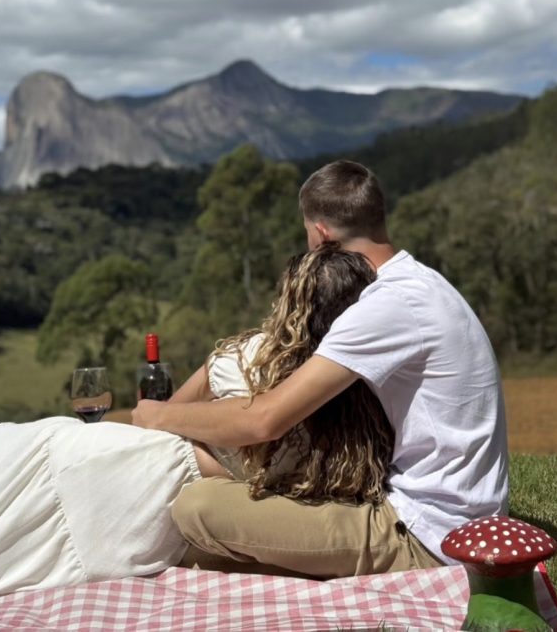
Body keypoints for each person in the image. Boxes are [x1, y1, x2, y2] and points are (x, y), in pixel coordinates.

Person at [0, 245, 389, 616]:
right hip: (166, 491)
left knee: (6, 472)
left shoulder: (248, 356)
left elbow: (158, 413)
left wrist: (174, 421)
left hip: (144, 465)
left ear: (291, 300)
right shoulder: (366, 402)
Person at [132, 160, 509, 579]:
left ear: (321, 235)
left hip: (427, 535)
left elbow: (264, 419)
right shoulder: (424, 284)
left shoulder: (386, 306)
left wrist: (158, 415)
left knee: (197, 509)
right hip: (464, 519)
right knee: (202, 552)